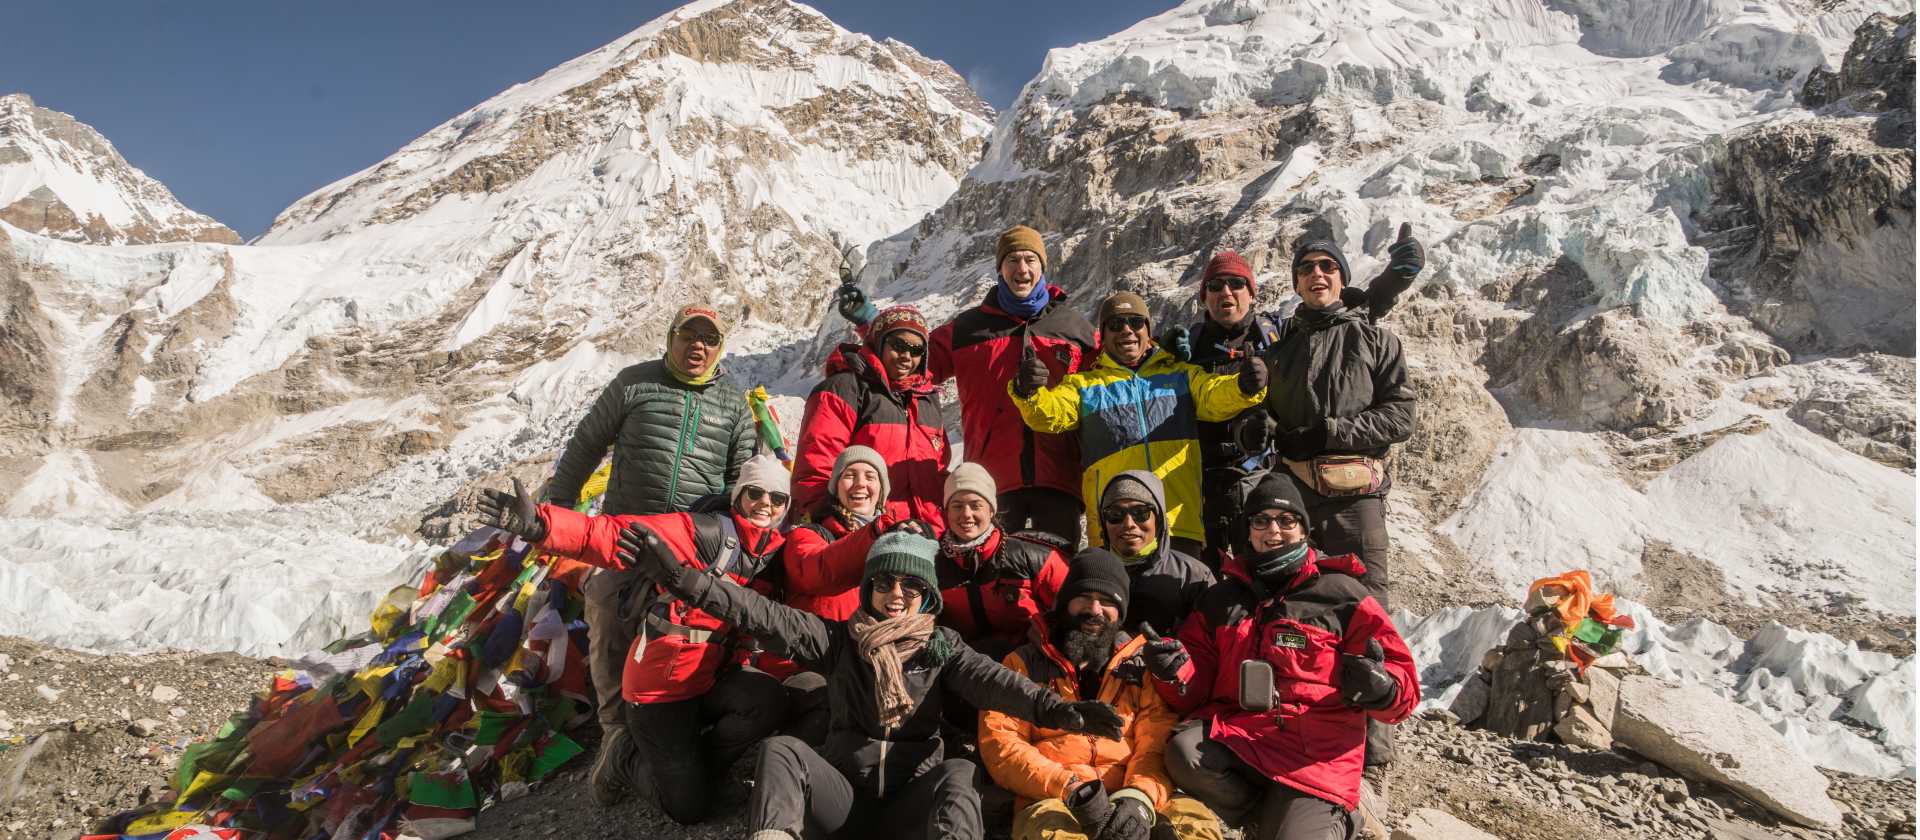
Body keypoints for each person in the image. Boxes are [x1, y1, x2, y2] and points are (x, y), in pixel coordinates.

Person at [615, 525, 1129, 840]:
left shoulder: (940, 645)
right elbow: (759, 613)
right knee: (783, 752)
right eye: (884, 581)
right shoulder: (838, 640)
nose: (896, 593)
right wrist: (684, 578)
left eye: (910, 583)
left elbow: (991, 681)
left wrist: (1061, 710)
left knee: (958, 770)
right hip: (844, 807)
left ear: (927, 594)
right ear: (869, 588)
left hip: (909, 811)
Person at [476, 454, 794, 824]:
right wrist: (542, 526)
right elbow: (616, 533)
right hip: (661, 689)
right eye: (755, 493)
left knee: (768, 700)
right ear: (739, 495)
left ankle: (697, 772)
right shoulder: (704, 532)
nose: (765, 505)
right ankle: (623, 754)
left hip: (711, 679)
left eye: (777, 498)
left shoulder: (772, 555)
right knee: (688, 810)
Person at [538, 303, 759, 806]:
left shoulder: (732, 404)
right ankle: (618, 736)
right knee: (609, 623)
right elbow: (587, 444)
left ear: (720, 347)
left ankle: (675, 730)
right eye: (689, 335)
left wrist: (728, 530)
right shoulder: (633, 383)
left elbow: (740, 476)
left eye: (709, 339)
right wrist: (555, 517)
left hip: (692, 543)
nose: (697, 346)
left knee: (683, 634)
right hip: (624, 533)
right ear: (671, 336)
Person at [1145, 473, 1419, 840]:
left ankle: (1346, 816)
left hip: (1314, 756)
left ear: (1303, 530)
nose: (1273, 529)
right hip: (1242, 737)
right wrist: (1173, 671)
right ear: (1249, 530)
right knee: (1183, 752)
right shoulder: (1221, 599)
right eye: (1261, 520)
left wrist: (1383, 689)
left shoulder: (1341, 594)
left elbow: (1403, 680)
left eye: (1286, 521)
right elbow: (1196, 687)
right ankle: (1272, 817)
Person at [1161, 232, 1422, 566]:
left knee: (1355, 599)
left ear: (1252, 292)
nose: (1225, 292)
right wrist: (1160, 358)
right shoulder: (1189, 346)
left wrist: (1392, 283)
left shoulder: (1276, 338)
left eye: (1236, 283)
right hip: (1204, 488)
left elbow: (1341, 320)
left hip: (1282, 488)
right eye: (1215, 286)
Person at [837, 225, 1095, 547]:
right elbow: (914, 358)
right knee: (992, 578)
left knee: (1056, 576)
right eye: (1012, 260)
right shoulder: (969, 328)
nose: (1022, 268)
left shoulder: (1074, 329)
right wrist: (870, 321)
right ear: (1000, 268)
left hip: (1059, 479)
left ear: (1043, 266)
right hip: (991, 482)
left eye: (1030, 259)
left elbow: (1114, 371)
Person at [1264, 238, 1419, 771]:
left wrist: (1330, 432)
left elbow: (1401, 417)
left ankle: (1374, 754)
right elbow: (1260, 420)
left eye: (1327, 267)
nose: (1316, 275)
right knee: (1299, 617)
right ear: (1296, 282)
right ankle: (1303, 737)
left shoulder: (1374, 339)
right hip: (1296, 501)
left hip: (1357, 500)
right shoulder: (1279, 349)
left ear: (1341, 277)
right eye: (1306, 268)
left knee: (1367, 615)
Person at [978, 549, 1223, 840]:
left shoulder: (1140, 664)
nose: (1095, 610)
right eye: (1084, 597)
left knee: (1196, 826)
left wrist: (1139, 797)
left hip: (1132, 788)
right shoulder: (1022, 664)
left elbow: (1156, 740)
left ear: (1121, 612)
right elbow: (1001, 745)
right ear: (1065, 602)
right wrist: (1070, 788)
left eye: (1108, 601)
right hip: (1053, 797)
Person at [1009, 291, 1266, 556]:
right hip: (1117, 530)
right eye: (1116, 324)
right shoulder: (1085, 386)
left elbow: (1213, 396)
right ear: (1103, 335)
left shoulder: (1179, 375)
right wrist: (1028, 392)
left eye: (1136, 322)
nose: (1127, 331)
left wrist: (1243, 385)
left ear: (1148, 329)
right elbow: (1048, 415)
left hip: (1178, 524)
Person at [793, 305, 949, 528]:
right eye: (898, 345)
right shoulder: (844, 390)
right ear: (878, 342)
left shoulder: (926, 400)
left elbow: (938, 472)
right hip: (863, 532)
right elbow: (815, 472)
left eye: (916, 350)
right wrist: (834, 524)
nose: (906, 356)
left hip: (926, 534)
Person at [933, 462, 1070, 662]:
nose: (966, 514)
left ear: (991, 510)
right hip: (964, 667)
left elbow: (1072, 606)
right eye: (957, 506)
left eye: (975, 505)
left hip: (1031, 664)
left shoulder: (1031, 556)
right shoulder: (935, 561)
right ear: (947, 512)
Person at [1092, 470, 1214, 637]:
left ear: (1159, 519)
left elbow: (1212, 647)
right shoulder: (1089, 571)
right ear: (1103, 522)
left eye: (1140, 513)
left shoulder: (1194, 576)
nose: (1128, 524)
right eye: (1115, 514)